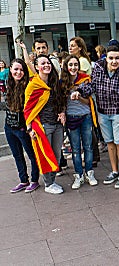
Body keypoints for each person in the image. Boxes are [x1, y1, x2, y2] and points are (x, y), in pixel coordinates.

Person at [71, 45, 119, 189]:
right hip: (103, 112)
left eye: (117, 58)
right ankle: (114, 171)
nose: (114, 61)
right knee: (110, 142)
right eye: (111, 58)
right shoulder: (98, 69)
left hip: (118, 111)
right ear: (106, 59)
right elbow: (92, 86)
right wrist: (79, 91)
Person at [24, 54, 66, 194]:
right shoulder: (33, 86)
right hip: (43, 126)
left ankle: (52, 181)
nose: (47, 65)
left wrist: (62, 112)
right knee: (45, 155)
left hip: (57, 125)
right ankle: (48, 184)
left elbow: (61, 101)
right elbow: (28, 109)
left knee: (57, 155)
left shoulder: (54, 83)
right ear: (36, 67)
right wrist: (30, 129)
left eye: (48, 62)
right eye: (43, 63)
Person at [61, 55, 98, 189]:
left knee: (88, 147)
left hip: (85, 116)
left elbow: (88, 101)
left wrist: (79, 96)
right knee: (75, 149)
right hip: (71, 118)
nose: (73, 67)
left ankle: (89, 173)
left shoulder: (85, 79)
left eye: (75, 64)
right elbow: (61, 103)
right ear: (66, 66)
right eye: (70, 65)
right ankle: (78, 175)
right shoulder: (62, 82)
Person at [5, 59, 40, 193]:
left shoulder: (28, 86)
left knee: (32, 155)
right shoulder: (8, 84)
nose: (18, 72)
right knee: (17, 155)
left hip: (23, 128)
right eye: (16, 69)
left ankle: (34, 180)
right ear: (10, 69)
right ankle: (23, 180)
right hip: (9, 126)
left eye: (21, 70)